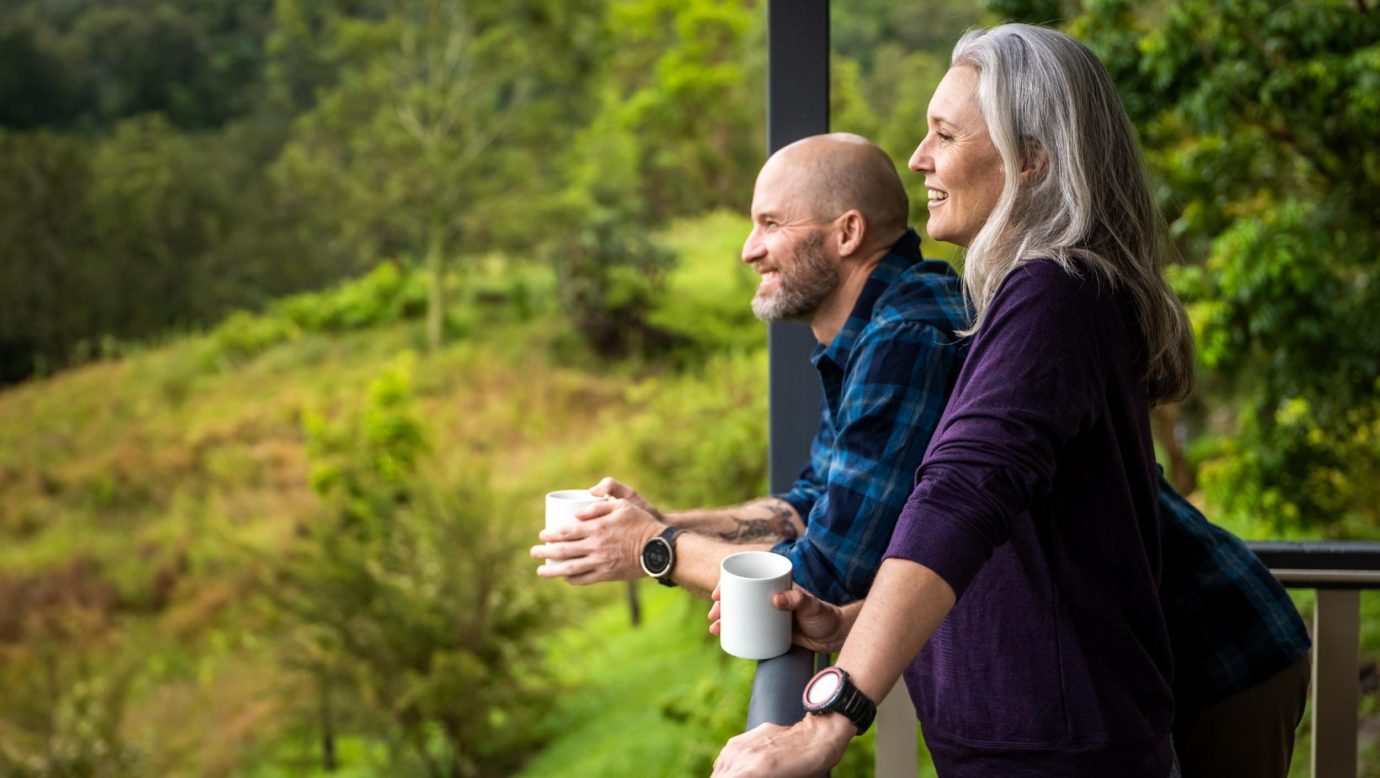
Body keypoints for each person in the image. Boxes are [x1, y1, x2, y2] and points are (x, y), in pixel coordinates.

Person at [537, 140, 1308, 774]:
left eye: (769, 223)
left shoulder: (913, 334)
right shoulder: (876, 332)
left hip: (1212, 655)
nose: (748, 250)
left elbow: (828, 568)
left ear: (844, 234)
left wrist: (656, 551)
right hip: (1128, 671)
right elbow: (812, 503)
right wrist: (666, 519)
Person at [707, 24, 1290, 777]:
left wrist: (830, 721)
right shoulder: (1037, 294)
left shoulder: (1053, 293)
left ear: (1033, 158)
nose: (918, 159)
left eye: (944, 135)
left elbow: (961, 497)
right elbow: (1012, 541)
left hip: (1062, 750)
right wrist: (852, 620)